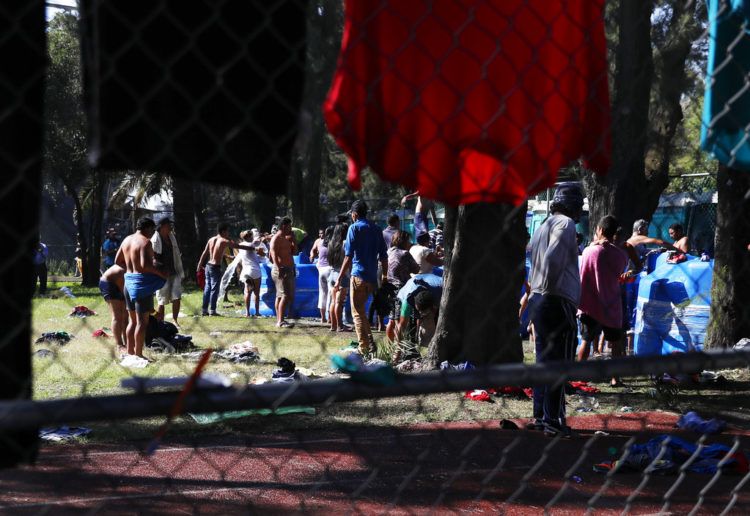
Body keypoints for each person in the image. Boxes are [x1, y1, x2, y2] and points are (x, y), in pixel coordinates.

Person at [527, 182, 583, 438]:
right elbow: (552, 258)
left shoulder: (543, 225)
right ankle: (553, 419)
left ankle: (541, 416)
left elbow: (532, 253)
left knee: (543, 360)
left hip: (539, 297)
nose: (581, 208)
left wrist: (539, 289)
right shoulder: (566, 224)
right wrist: (550, 288)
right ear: (570, 203)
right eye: (579, 203)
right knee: (560, 361)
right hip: (556, 299)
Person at [577, 216, 629, 386]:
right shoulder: (620, 255)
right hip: (611, 304)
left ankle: (580, 376)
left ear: (599, 230)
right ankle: (615, 378)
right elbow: (620, 271)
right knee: (615, 343)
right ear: (615, 233)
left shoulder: (588, 251)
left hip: (589, 303)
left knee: (585, 340)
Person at [334, 200, 388, 355]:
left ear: (355, 214)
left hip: (358, 276)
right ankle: (370, 343)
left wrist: (339, 278)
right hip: (372, 278)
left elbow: (348, 256)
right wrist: (384, 275)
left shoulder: (354, 228)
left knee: (357, 313)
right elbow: (384, 256)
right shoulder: (377, 229)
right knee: (362, 312)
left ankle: (363, 346)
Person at [115, 217, 167, 358]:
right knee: (142, 322)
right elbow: (145, 266)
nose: (153, 233)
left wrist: (130, 271)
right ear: (148, 228)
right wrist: (161, 274)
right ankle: (138, 355)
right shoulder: (145, 242)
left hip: (128, 283)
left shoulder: (126, 240)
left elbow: (117, 260)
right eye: (152, 230)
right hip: (141, 285)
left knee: (132, 321)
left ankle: (130, 352)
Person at [197, 223, 255, 317]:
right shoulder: (223, 240)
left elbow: (205, 253)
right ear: (223, 231)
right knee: (214, 289)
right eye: (227, 231)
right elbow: (237, 246)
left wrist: (199, 264)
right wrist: (251, 248)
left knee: (207, 288)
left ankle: (204, 310)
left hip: (208, 266)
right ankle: (212, 310)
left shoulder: (211, 239)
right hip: (215, 267)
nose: (228, 233)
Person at [385, 230, 420, 342]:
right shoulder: (405, 253)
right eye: (408, 240)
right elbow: (416, 269)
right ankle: (399, 348)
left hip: (388, 288)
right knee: (401, 320)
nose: (409, 243)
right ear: (403, 240)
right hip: (401, 290)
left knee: (391, 319)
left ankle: (391, 345)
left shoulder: (388, 252)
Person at [151, 217, 184, 327]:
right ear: (163, 226)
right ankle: (161, 322)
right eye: (169, 225)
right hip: (161, 275)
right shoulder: (155, 239)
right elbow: (153, 257)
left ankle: (175, 320)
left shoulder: (171, 237)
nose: (171, 227)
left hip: (174, 272)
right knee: (162, 299)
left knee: (177, 296)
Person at [269, 217, 297, 327]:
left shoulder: (286, 238)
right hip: (281, 269)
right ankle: (280, 321)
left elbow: (294, 252)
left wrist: (293, 239)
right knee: (285, 295)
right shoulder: (276, 238)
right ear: (284, 226)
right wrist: (279, 268)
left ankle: (280, 319)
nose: (291, 228)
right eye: (290, 226)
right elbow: (273, 254)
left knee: (280, 296)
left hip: (288, 268)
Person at [328, 221, 351, 332]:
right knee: (339, 302)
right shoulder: (345, 243)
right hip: (343, 275)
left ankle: (333, 325)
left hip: (332, 273)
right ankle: (340, 325)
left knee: (333, 301)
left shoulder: (331, 243)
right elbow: (348, 259)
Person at [238, 229, 267, 317]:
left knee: (247, 292)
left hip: (246, 271)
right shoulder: (251, 245)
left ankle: (247, 313)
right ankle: (257, 312)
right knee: (256, 293)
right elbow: (263, 254)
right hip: (255, 270)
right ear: (250, 236)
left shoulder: (241, 245)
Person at [99, 264, 127, 352]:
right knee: (117, 315)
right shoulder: (122, 272)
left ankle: (128, 342)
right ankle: (119, 344)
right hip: (108, 284)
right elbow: (125, 293)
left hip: (119, 282)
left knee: (125, 315)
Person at [311, 226, 333, 324]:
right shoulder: (333, 242)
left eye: (322, 233)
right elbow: (313, 250)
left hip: (321, 270)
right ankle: (328, 318)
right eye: (320, 233)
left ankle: (323, 317)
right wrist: (312, 254)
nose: (321, 235)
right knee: (330, 295)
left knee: (323, 294)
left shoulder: (322, 243)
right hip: (329, 269)